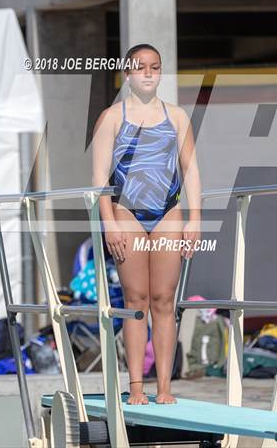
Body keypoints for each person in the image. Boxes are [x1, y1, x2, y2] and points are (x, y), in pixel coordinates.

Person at [92, 44, 201, 405]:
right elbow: (99, 180)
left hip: (168, 212)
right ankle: (137, 385)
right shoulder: (112, 117)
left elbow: (191, 170)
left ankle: (165, 386)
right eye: (141, 68)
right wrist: (109, 224)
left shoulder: (177, 116)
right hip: (127, 212)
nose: (149, 73)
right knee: (137, 299)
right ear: (128, 73)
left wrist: (195, 218)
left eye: (155, 67)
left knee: (164, 300)